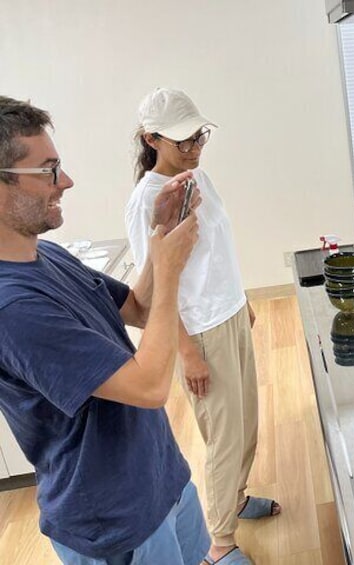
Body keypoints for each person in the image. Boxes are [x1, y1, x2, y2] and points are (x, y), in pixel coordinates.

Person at [0, 96, 207, 563]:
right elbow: (150, 386)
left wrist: (158, 240)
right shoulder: (13, 308)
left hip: (162, 480)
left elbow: (136, 307)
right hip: (115, 522)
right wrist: (171, 270)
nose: (67, 182)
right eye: (48, 171)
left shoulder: (47, 255)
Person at [126, 88, 277, 565]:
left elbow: (218, 249)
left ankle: (233, 501)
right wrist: (187, 352)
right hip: (201, 332)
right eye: (181, 141)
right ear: (151, 139)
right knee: (224, 438)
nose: (194, 147)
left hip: (228, 314)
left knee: (245, 426)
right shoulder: (147, 201)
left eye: (198, 136)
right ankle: (219, 542)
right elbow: (151, 293)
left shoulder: (199, 178)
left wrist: (242, 298)